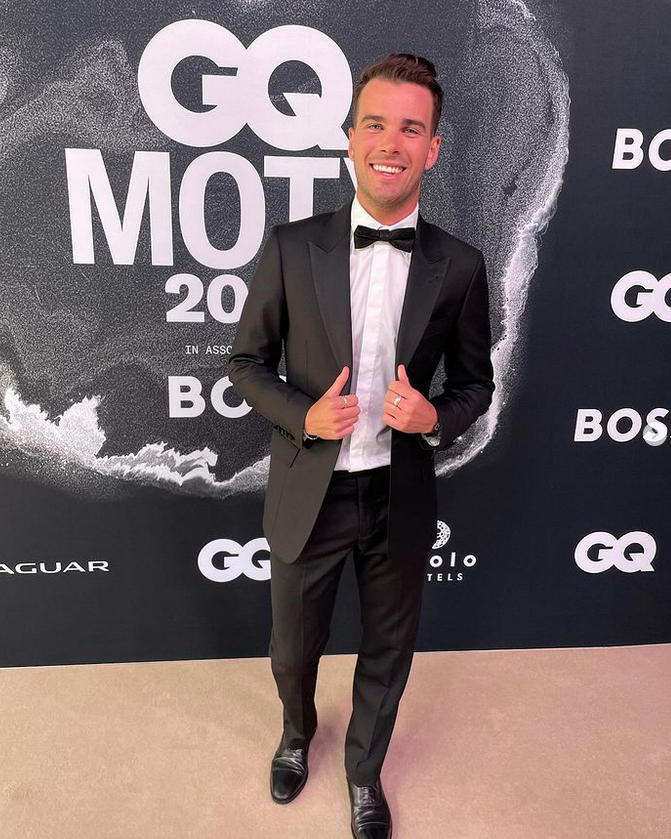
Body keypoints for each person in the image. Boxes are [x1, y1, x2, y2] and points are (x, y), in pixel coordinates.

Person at [227, 52, 494, 839]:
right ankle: (296, 733)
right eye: (375, 123)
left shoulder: (461, 266)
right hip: (311, 486)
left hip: (397, 495)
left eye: (411, 128)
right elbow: (245, 363)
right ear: (350, 137)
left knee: (390, 647)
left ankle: (365, 773)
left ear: (432, 148)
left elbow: (475, 385)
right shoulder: (291, 246)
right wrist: (303, 415)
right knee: (291, 647)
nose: (390, 142)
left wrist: (433, 416)